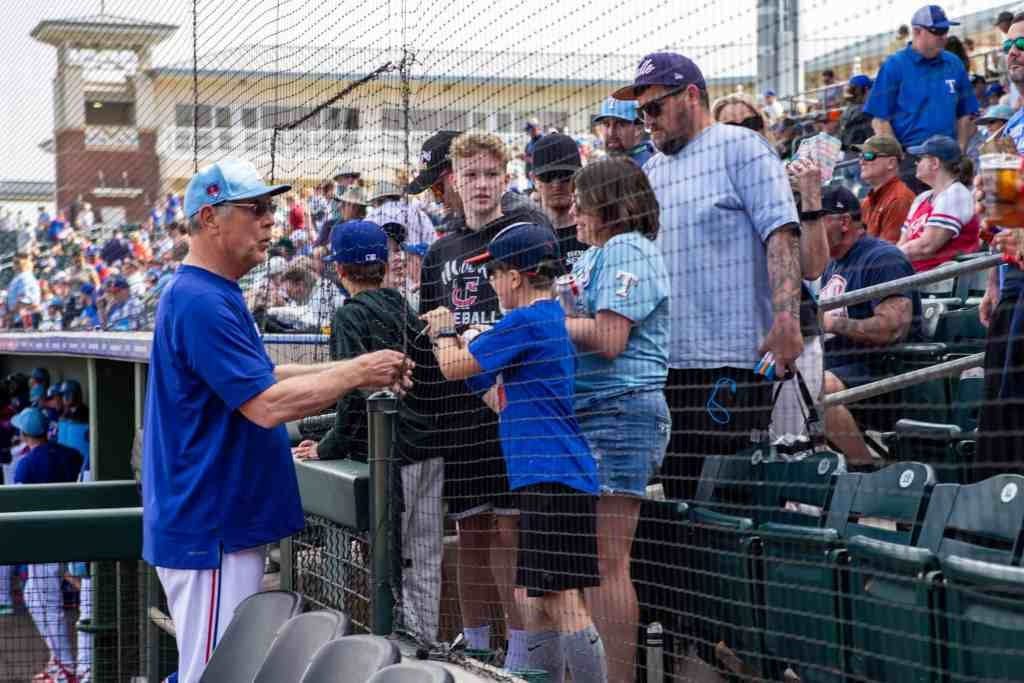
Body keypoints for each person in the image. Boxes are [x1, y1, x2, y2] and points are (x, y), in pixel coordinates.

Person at [142, 158, 410, 683]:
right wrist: (357, 371)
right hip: (211, 525)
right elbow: (265, 404)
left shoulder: (211, 291)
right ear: (210, 219)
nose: (270, 220)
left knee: (226, 668)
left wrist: (353, 366)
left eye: (270, 208)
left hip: (214, 518)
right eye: (254, 209)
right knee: (218, 673)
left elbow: (262, 373)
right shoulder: (200, 299)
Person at [422, 221, 607, 683]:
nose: (491, 283)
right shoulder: (540, 320)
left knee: (562, 602)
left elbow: (450, 367)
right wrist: (475, 355)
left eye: (496, 274)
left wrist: (446, 333)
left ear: (517, 277)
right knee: (534, 600)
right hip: (545, 476)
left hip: (554, 477)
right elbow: (496, 397)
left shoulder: (527, 319)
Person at [617, 52, 804, 501]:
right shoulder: (654, 168)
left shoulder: (740, 147)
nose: (647, 122)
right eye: (641, 113)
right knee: (680, 498)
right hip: (668, 365)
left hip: (733, 359)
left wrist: (786, 319)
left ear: (692, 95)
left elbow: (781, 233)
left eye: (654, 108)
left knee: (727, 502)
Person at [292, 220, 445, 645]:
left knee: (390, 560)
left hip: (390, 455)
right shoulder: (403, 306)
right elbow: (431, 380)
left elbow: (351, 396)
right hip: (430, 448)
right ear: (384, 265)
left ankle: (395, 653)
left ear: (340, 270)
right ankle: (425, 649)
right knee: (426, 556)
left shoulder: (349, 316)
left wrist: (328, 446)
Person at [417, 132, 530, 669]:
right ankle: (476, 642)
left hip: (511, 405)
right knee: (470, 530)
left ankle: (523, 649)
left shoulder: (527, 234)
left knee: (511, 530)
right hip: (459, 412)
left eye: (490, 175)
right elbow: (428, 327)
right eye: (470, 176)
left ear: (505, 179)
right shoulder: (440, 251)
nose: (480, 185)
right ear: (453, 183)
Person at [562, 158, 669, 681]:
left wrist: (553, 322)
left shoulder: (628, 247)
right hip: (592, 411)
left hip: (621, 410)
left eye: (583, 198)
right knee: (590, 561)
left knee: (607, 562)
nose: (574, 208)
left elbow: (609, 339)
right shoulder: (595, 254)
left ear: (611, 204)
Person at [819, 185, 923, 464]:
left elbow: (893, 329)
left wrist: (831, 323)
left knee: (817, 386)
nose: (809, 227)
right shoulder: (831, 264)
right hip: (839, 364)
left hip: (883, 370)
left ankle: (864, 469)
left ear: (843, 222)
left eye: (817, 218)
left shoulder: (882, 258)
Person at [864, 4, 979, 194]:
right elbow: (880, 120)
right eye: (937, 31)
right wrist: (899, 160)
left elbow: (965, 114)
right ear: (917, 31)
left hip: (948, 159)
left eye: (945, 30)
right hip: (912, 160)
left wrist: (959, 149)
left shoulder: (953, 63)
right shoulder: (894, 65)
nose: (943, 36)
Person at [11, 406, 83, 682]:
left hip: (44, 540)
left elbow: (19, 509)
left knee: (44, 602)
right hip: (77, 535)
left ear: (25, 433)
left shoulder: (26, 464)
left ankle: (66, 667)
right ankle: (60, 660)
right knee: (37, 597)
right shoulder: (71, 454)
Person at [898, 134, 980, 271]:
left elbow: (927, 246)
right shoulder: (922, 198)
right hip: (915, 277)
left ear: (935, 163)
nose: (916, 163)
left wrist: (890, 257)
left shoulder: (956, 194)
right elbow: (902, 242)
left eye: (921, 158)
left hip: (943, 282)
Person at [529, 133, 589, 268]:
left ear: (579, 175)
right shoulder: (525, 234)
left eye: (565, 175)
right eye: (548, 176)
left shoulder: (594, 232)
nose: (556, 184)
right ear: (534, 179)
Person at [857, 135, 918, 243]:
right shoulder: (867, 201)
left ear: (891, 163)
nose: (861, 162)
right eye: (861, 156)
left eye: (868, 155)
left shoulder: (899, 199)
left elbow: (889, 255)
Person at [591, 98, 654, 167]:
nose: (611, 133)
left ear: (638, 128)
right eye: (606, 124)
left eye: (620, 124)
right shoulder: (600, 164)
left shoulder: (650, 164)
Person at [840, 74, 874, 150]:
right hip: (861, 153)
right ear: (866, 89)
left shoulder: (848, 109)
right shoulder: (866, 111)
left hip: (848, 151)